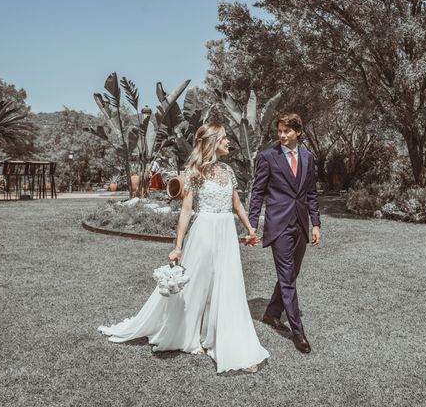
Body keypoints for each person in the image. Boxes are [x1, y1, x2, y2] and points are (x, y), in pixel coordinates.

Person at [98, 123, 269, 374]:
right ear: (212, 141)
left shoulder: (228, 170)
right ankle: (188, 336)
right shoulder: (194, 171)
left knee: (228, 284)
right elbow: (186, 211)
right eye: (224, 138)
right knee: (195, 285)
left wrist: (250, 229)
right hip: (203, 232)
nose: (228, 142)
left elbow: (237, 204)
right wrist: (178, 247)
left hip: (226, 233)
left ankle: (225, 338)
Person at [247, 113, 321, 354]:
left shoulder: (308, 157)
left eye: (286, 131)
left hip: (300, 224)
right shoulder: (268, 157)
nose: (281, 135)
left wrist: (316, 224)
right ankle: (298, 332)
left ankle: (271, 313)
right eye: (279, 131)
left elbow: (311, 193)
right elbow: (257, 192)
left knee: (292, 272)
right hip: (278, 225)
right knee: (288, 276)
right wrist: (252, 224)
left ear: (297, 132)